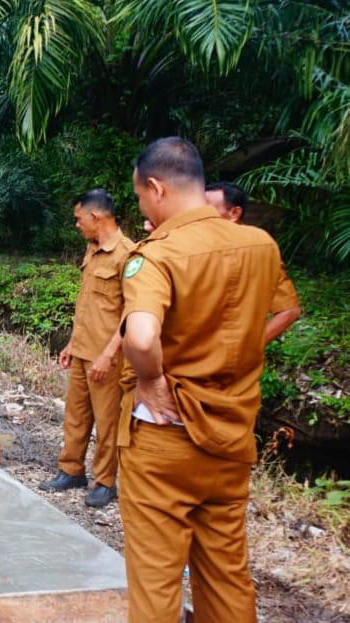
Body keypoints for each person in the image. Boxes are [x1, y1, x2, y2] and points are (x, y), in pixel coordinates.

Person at [118, 137, 293, 622]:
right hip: (232, 437)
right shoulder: (260, 245)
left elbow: (142, 334)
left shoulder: (156, 255)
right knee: (226, 573)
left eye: (140, 196)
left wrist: (150, 379)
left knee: (156, 582)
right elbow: (280, 311)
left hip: (165, 443)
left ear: (156, 188)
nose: (142, 205)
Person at [39, 189, 135, 508]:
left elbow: (132, 312)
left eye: (79, 219)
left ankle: (105, 482)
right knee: (76, 416)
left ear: (96, 217)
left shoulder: (128, 255)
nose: (77, 225)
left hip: (109, 356)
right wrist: (71, 343)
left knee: (107, 421)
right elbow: (88, 305)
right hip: (82, 350)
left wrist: (108, 354)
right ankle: (72, 470)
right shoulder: (92, 250)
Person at [205, 181, 301, 342]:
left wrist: (251, 346)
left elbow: (289, 310)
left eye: (208, 210)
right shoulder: (183, 245)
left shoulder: (259, 247)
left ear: (234, 213)